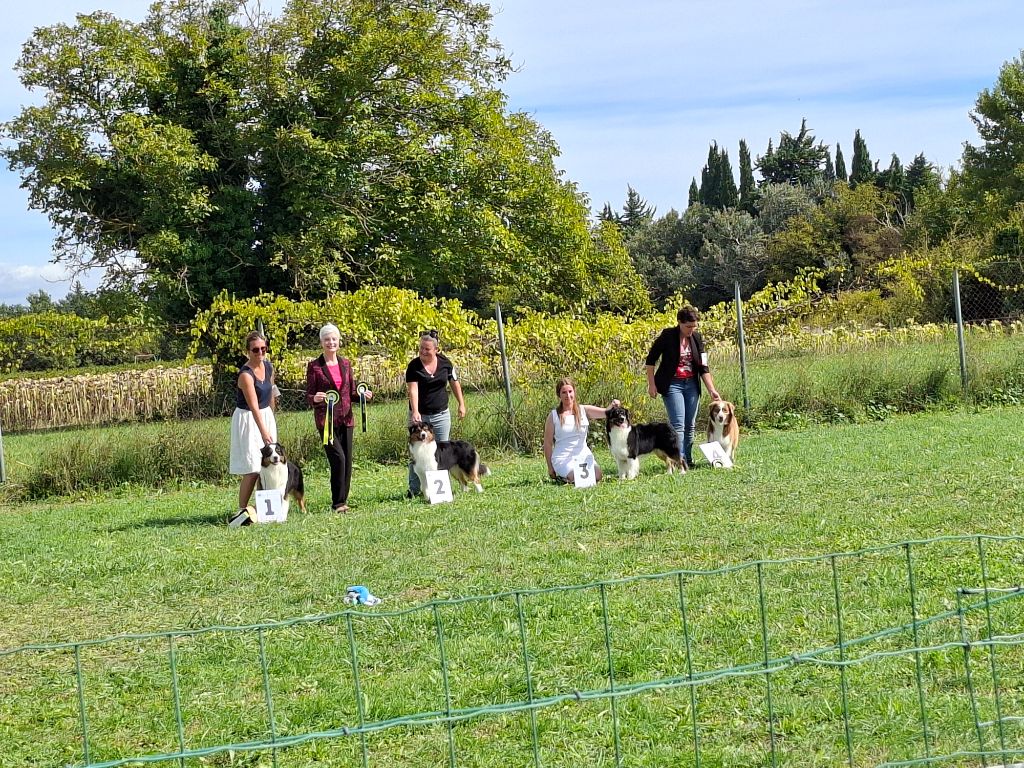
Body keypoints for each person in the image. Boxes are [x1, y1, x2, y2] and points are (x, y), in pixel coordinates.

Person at [645, 305, 722, 469]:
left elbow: (703, 367)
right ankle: (678, 460)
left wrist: (711, 390)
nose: (691, 330)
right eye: (688, 326)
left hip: (692, 384)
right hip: (672, 384)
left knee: (690, 425)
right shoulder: (667, 336)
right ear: (679, 322)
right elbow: (650, 360)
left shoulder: (697, 338)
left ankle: (688, 459)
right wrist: (651, 384)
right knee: (678, 425)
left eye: (694, 326)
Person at [306, 323, 373, 513]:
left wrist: (363, 396)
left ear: (339, 341)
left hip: (347, 419)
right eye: (327, 339)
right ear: (321, 342)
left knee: (347, 461)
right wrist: (315, 398)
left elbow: (351, 392)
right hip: (325, 421)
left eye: (334, 338)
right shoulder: (314, 366)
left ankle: (343, 500)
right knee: (339, 459)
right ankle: (338, 503)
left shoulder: (345, 364)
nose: (331, 342)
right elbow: (309, 395)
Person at [406, 330, 467, 497]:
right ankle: (414, 489)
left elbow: (454, 383)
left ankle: (440, 490)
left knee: (441, 452)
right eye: (421, 349)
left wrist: (461, 404)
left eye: (427, 349)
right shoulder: (413, 366)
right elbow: (413, 390)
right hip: (420, 415)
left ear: (436, 350)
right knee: (417, 453)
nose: (423, 352)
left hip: (441, 414)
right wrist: (415, 411)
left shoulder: (446, 363)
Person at [229, 331, 278, 522]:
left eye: (263, 349)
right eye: (255, 350)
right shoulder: (245, 375)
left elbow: (272, 391)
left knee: (266, 466)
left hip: (266, 415)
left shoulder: (268, 366)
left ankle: (261, 509)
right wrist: (264, 431)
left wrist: (271, 418)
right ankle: (242, 510)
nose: (260, 353)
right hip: (249, 419)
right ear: (247, 352)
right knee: (253, 468)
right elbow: (253, 406)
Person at [543, 377, 616, 484]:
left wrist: (613, 405)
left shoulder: (583, 410)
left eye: (570, 391)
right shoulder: (553, 416)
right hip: (563, 458)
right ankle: (563, 476)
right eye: (564, 392)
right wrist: (550, 467)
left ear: (574, 391)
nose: (568, 395)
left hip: (583, 455)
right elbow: (548, 443)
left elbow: (606, 412)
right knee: (577, 478)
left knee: (598, 475)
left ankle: (570, 477)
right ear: (559, 395)